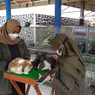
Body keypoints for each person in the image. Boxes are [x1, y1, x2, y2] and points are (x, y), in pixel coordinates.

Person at [0, 19, 30, 95]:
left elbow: (27, 55)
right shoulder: (1, 42)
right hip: (5, 80)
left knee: (19, 92)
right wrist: (10, 65)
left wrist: (26, 62)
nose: (16, 34)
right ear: (7, 29)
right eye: (13, 32)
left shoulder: (20, 41)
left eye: (18, 32)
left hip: (20, 77)